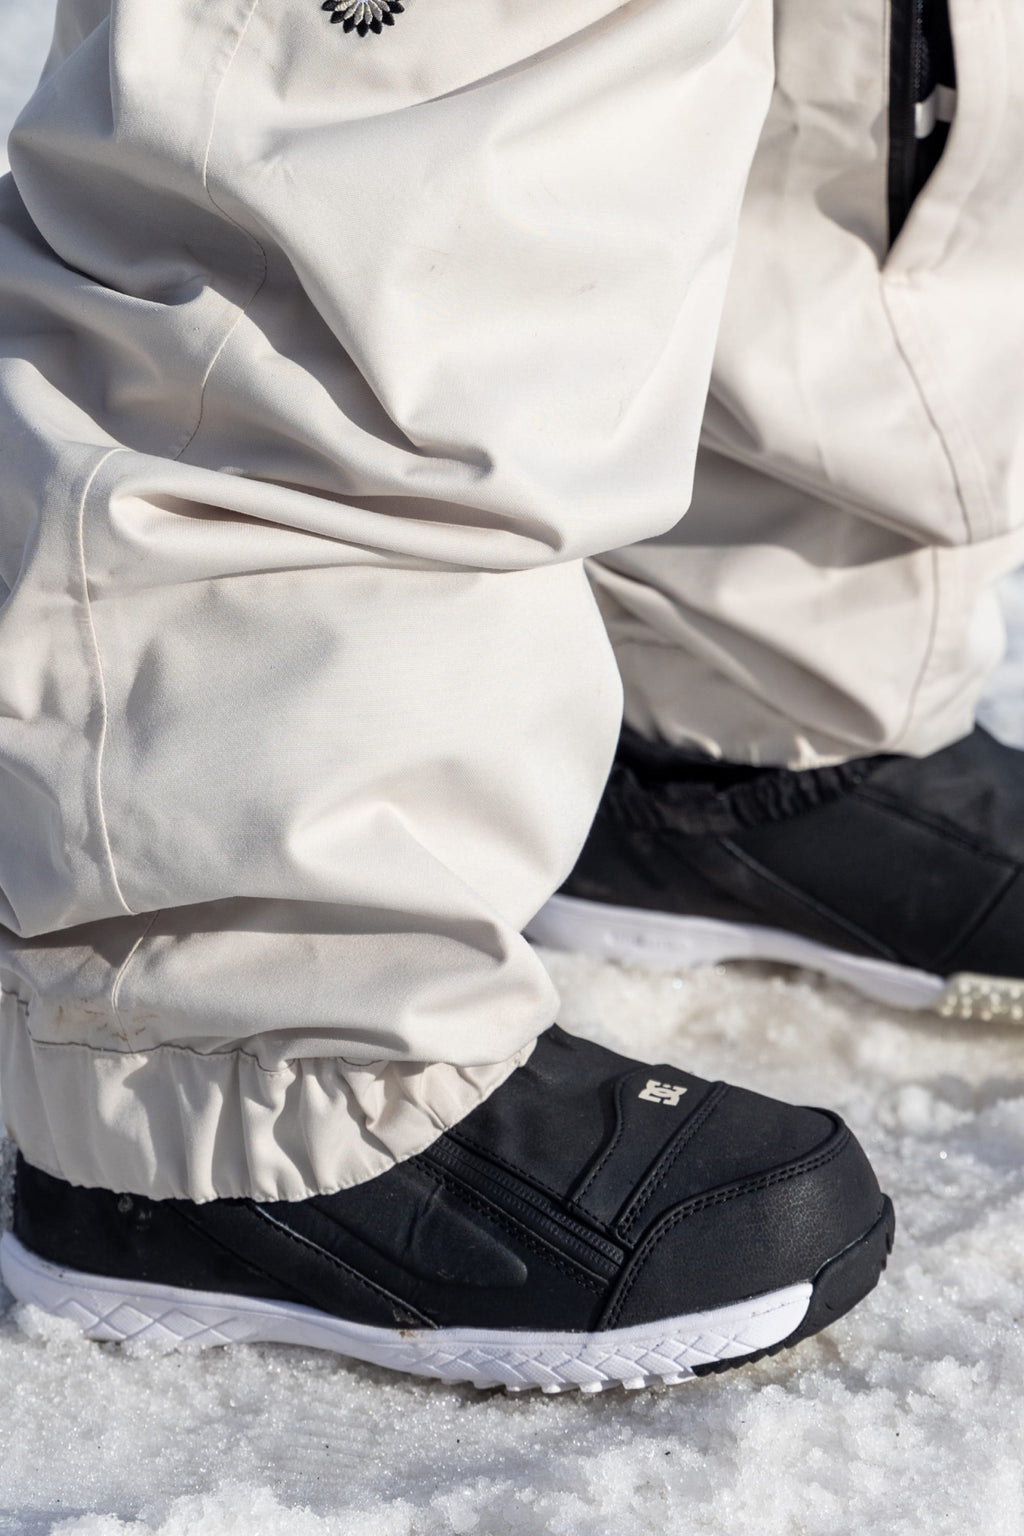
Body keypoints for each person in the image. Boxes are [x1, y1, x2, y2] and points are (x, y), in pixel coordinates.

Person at [0, 0, 1017, 1394]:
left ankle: (749, 673)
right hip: (261, 1069)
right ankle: (241, 1037)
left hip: (783, 634)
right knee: (415, 73)